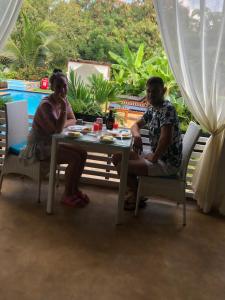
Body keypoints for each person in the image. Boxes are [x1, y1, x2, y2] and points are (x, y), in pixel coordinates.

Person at [21, 69, 89, 207]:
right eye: (58, 86)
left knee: (82, 153)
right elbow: (57, 129)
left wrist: (61, 123)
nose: (62, 90)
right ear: (52, 87)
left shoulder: (64, 100)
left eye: (64, 86)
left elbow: (72, 120)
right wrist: (63, 109)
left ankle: (74, 190)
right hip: (39, 146)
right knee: (74, 158)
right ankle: (67, 195)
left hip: (52, 142)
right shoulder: (46, 105)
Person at [112, 77, 182, 210]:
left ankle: (137, 195)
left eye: (154, 91)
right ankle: (137, 194)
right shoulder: (153, 108)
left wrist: (154, 157)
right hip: (156, 155)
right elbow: (135, 125)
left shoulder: (167, 109)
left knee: (123, 166)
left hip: (166, 162)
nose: (150, 95)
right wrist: (137, 136)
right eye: (148, 91)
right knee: (117, 157)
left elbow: (165, 138)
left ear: (164, 91)